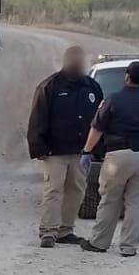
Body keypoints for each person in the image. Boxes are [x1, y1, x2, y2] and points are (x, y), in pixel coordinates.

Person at [78, 61, 139, 257]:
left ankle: (99, 243)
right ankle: (129, 247)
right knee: (138, 203)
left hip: (118, 156)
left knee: (110, 200)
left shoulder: (113, 100)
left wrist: (87, 152)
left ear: (127, 77)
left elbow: (97, 128)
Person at [27, 45, 104, 248]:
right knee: (53, 190)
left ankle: (65, 230)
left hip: (81, 151)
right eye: (74, 59)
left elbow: (100, 120)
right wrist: (38, 146)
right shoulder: (49, 86)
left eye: (81, 60)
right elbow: (37, 117)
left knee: (77, 190)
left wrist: (98, 148)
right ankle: (48, 232)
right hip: (54, 151)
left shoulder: (93, 88)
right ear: (67, 60)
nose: (78, 63)